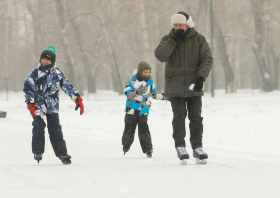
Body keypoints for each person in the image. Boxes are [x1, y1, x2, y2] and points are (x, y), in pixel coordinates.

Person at [154, 12, 213, 165]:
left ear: (188, 24)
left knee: (196, 118)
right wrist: (173, 41)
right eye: (175, 25)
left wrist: (201, 77)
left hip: (194, 85)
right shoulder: (168, 39)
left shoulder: (199, 39)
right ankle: (180, 146)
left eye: (180, 25)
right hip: (175, 87)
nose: (177, 27)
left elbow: (207, 59)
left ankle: (197, 147)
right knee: (179, 118)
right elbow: (160, 56)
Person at [23, 46, 84, 165]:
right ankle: (37, 151)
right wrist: (30, 104)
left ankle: (62, 153)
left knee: (55, 129)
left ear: (53, 61)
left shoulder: (57, 73)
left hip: (52, 107)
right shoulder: (35, 73)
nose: (44, 61)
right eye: (43, 58)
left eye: (47, 59)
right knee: (38, 127)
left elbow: (67, 86)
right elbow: (27, 89)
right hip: (38, 107)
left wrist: (77, 98)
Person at [122, 60, 165, 158]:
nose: (147, 74)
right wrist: (136, 91)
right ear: (140, 71)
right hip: (132, 110)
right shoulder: (133, 81)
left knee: (144, 130)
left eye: (148, 72)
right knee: (129, 128)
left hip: (143, 111)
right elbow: (126, 92)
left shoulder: (150, 83)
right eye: (145, 72)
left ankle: (148, 149)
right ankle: (126, 144)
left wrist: (164, 97)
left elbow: (154, 94)